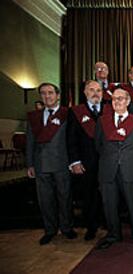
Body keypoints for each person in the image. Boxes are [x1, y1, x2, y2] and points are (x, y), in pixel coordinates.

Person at [95, 88, 133, 249]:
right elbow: (98, 145)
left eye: (121, 98)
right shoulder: (102, 121)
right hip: (108, 168)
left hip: (130, 168)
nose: (117, 101)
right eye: (114, 99)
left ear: (128, 101)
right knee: (109, 204)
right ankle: (113, 234)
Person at [26, 83, 77, 245]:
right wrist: (30, 164)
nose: (47, 96)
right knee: (45, 200)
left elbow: (72, 139)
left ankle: (67, 228)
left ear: (57, 95)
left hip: (62, 163)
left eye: (50, 93)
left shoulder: (67, 114)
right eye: (43, 93)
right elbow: (30, 142)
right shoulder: (34, 117)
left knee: (65, 197)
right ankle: (50, 230)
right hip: (41, 165)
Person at [67, 80, 104, 241]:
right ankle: (91, 226)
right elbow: (71, 139)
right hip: (86, 162)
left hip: (106, 161)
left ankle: (105, 222)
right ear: (85, 92)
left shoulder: (108, 109)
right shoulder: (76, 112)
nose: (96, 93)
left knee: (106, 194)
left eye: (98, 90)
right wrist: (74, 161)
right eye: (92, 90)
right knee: (88, 195)